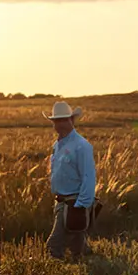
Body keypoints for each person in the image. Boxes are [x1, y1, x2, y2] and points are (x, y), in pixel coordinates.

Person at [44, 101, 98, 259]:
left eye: (64, 120)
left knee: (54, 245)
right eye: (57, 121)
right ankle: (87, 267)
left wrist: (81, 206)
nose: (60, 124)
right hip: (60, 202)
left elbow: (88, 177)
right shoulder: (57, 145)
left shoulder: (82, 146)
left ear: (72, 121)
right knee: (76, 246)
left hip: (73, 202)